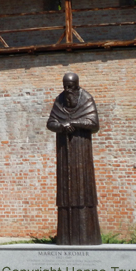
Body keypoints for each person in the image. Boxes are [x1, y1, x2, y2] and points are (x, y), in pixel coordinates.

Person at [46, 72, 101, 245]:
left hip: (81, 150)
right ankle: (65, 238)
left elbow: (94, 124)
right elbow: (50, 123)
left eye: (70, 87)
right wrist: (62, 125)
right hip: (64, 152)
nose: (67, 90)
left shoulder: (86, 99)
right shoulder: (60, 100)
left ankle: (86, 237)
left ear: (77, 86)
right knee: (65, 193)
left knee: (83, 191)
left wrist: (74, 123)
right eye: (65, 86)